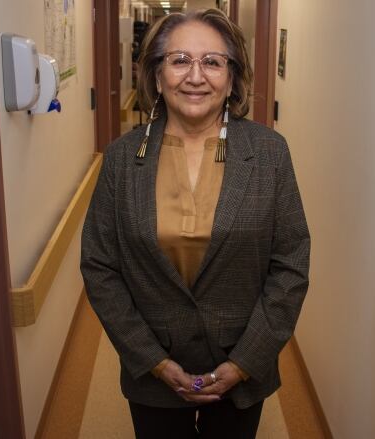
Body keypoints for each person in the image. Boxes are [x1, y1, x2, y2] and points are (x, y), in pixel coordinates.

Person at [81, 8, 310, 439]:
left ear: (232, 76)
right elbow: (100, 266)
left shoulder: (269, 153)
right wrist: (152, 360)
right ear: (156, 73)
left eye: (212, 61)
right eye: (180, 59)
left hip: (242, 365)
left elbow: (291, 265)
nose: (195, 76)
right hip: (154, 367)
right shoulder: (120, 159)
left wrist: (245, 361)